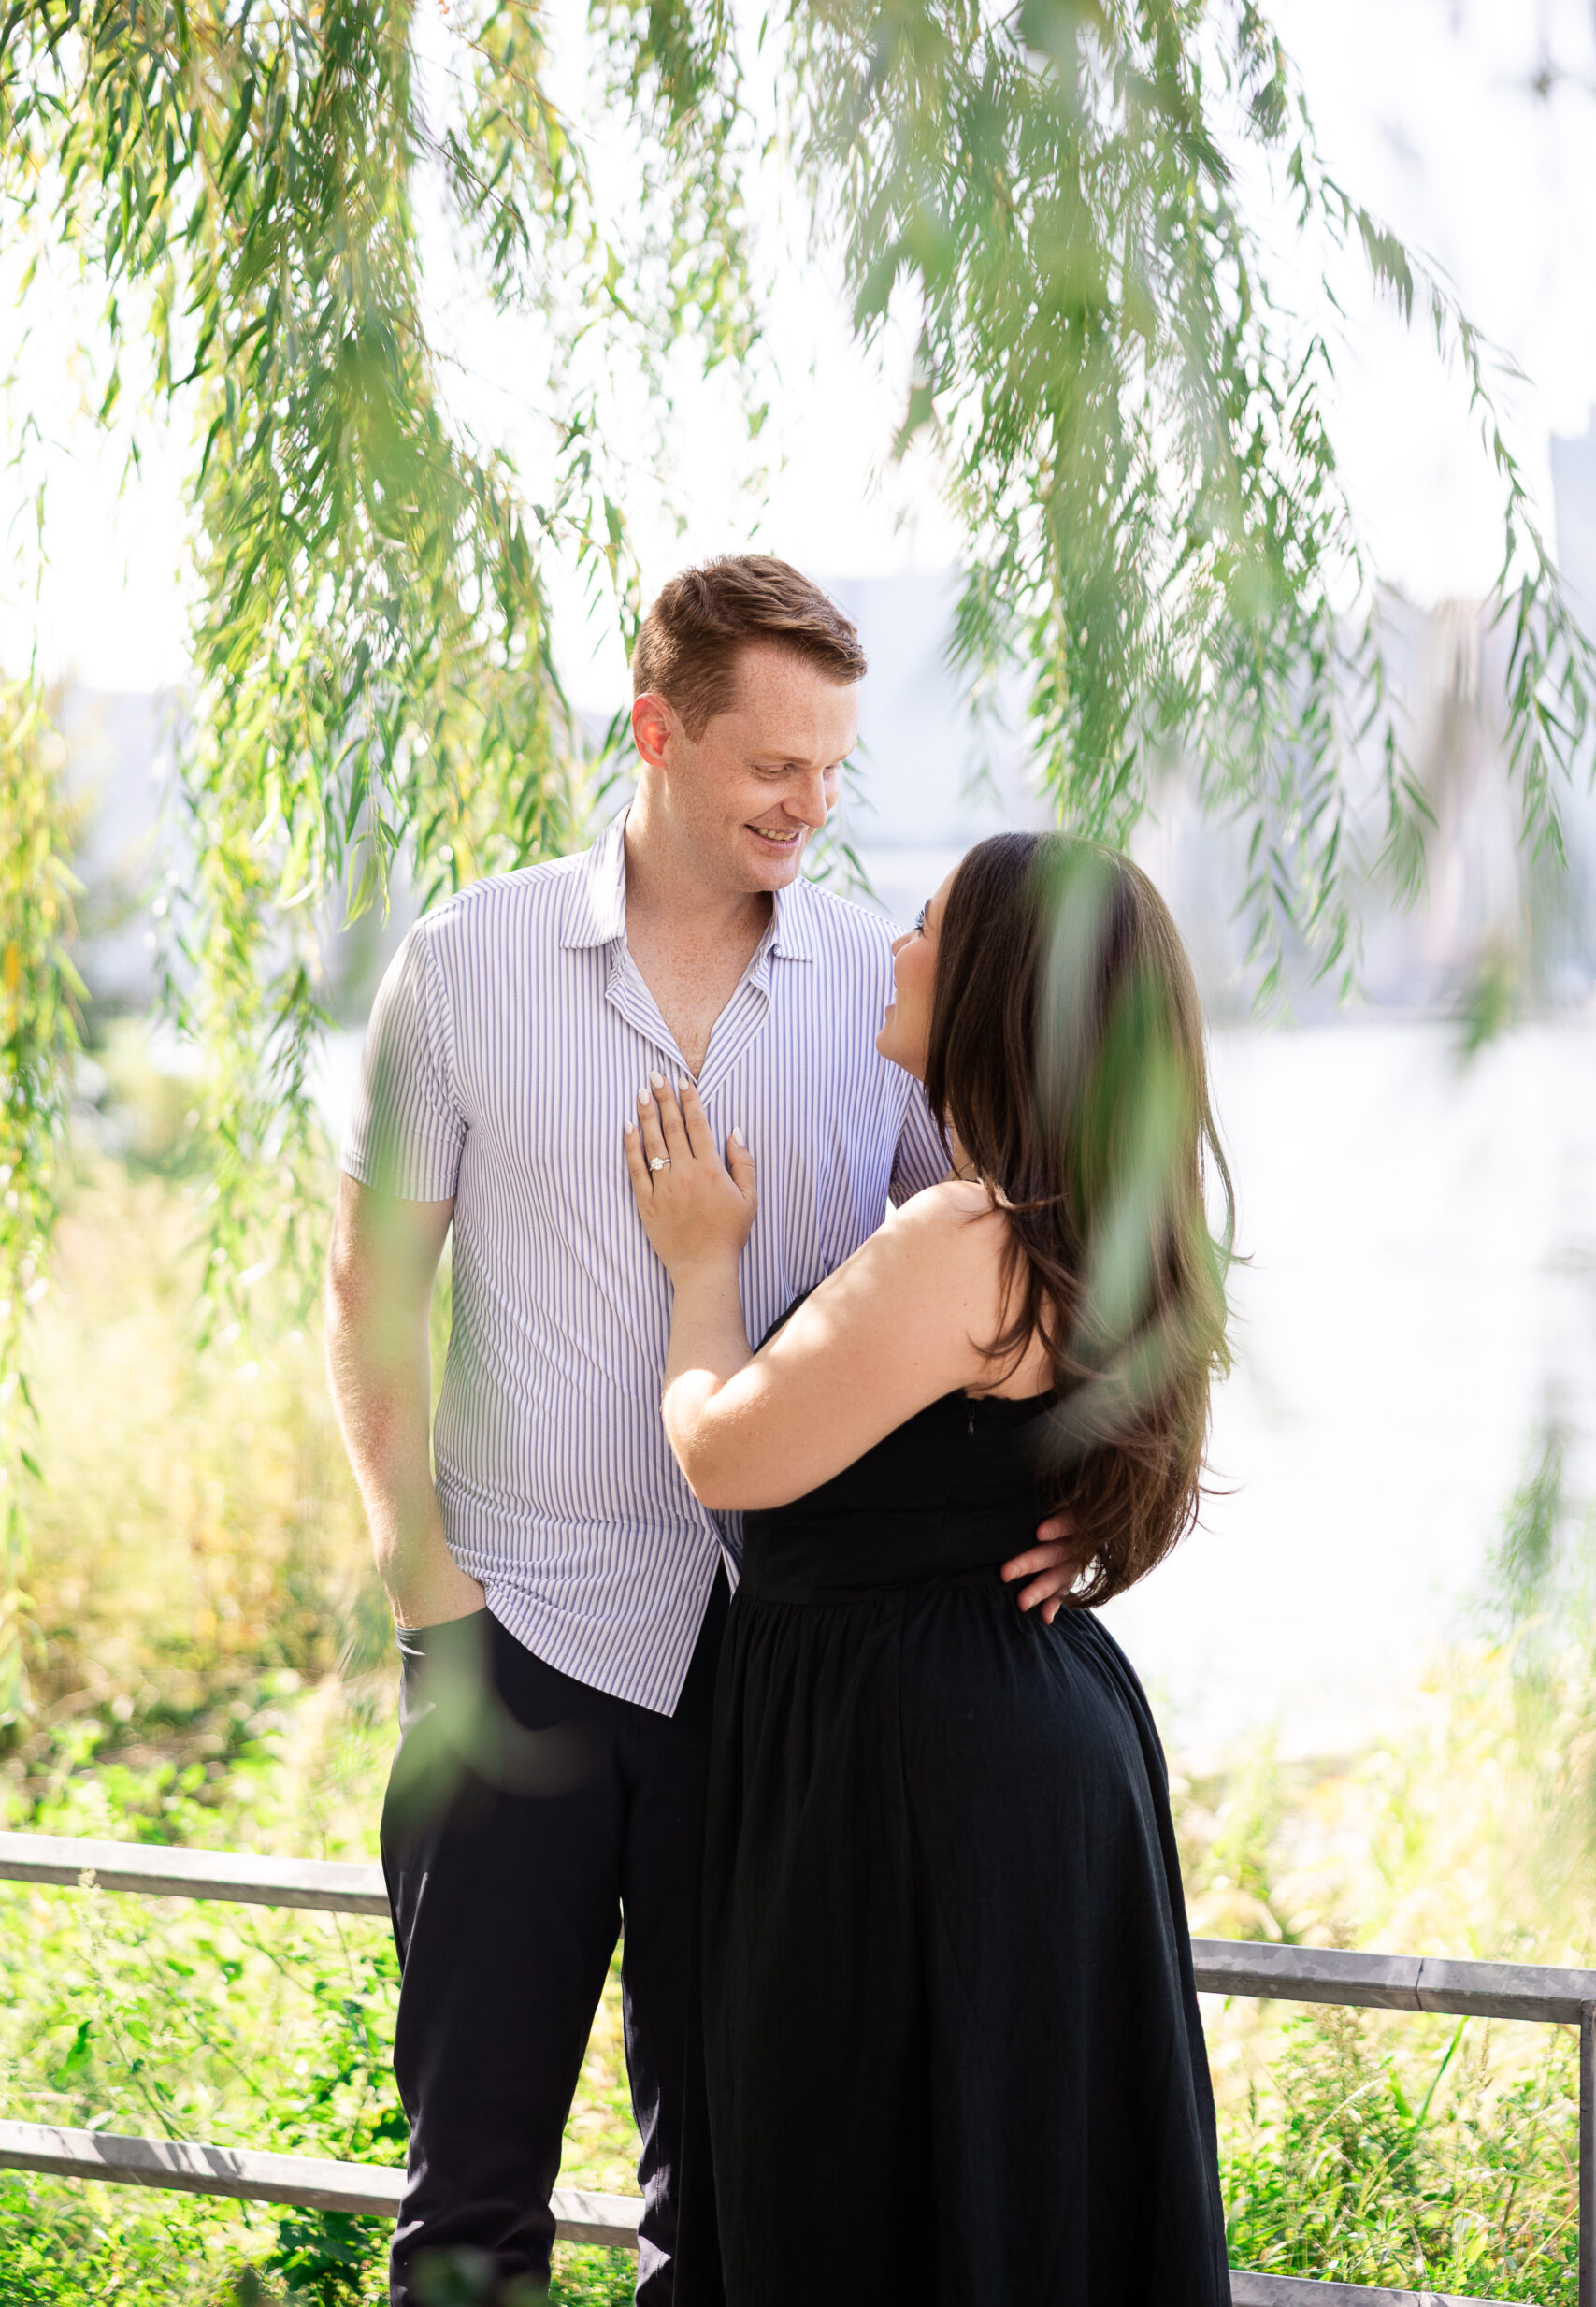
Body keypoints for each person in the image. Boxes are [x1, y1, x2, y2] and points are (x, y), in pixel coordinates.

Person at [324, 557, 1083, 2306]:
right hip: (511, 1648)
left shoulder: (882, 988)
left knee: (738, 2219)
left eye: (833, 770)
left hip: (782, 1687)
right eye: (774, 769)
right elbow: (368, 1293)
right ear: (657, 731)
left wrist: (1094, 1507)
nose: (811, 810)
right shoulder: (464, 961)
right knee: (470, 2209)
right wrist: (429, 1599)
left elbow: (1005, 1277)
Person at [624, 829, 1235, 2307]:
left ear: (993, 994)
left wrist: (703, 1263)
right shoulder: (1102, 1223)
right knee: (1017, 2171)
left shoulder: (965, 1234)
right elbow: (1114, 1484)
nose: (893, 952)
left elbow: (725, 1456)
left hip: (904, 1765)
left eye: (927, 929)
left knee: (870, 2172)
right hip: (1024, 1737)